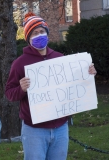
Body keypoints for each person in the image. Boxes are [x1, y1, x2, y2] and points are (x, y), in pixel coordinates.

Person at [5, 12, 97, 160]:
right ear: (28, 38)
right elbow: (9, 93)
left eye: (42, 31)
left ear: (47, 33)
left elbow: (72, 84)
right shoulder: (19, 63)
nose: (39, 35)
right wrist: (21, 89)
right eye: (35, 33)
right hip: (34, 130)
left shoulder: (59, 58)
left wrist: (87, 74)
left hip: (61, 127)